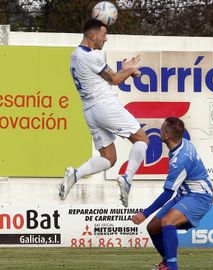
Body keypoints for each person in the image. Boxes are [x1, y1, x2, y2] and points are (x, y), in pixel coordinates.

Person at [59, 19, 149, 207]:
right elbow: (115, 79)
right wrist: (131, 70)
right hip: (105, 106)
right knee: (142, 140)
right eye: (103, 35)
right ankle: (127, 178)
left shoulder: (75, 56)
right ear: (93, 36)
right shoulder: (91, 56)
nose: (105, 39)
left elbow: (105, 79)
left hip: (90, 110)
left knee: (109, 159)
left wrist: (123, 71)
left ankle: (75, 174)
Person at [132, 117, 213, 270]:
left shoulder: (180, 159)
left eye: (162, 128)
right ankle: (166, 261)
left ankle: (172, 266)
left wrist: (145, 213)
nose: (159, 131)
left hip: (200, 197)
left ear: (168, 135)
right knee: (153, 228)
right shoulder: (184, 144)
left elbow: (167, 194)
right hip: (184, 195)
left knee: (167, 221)